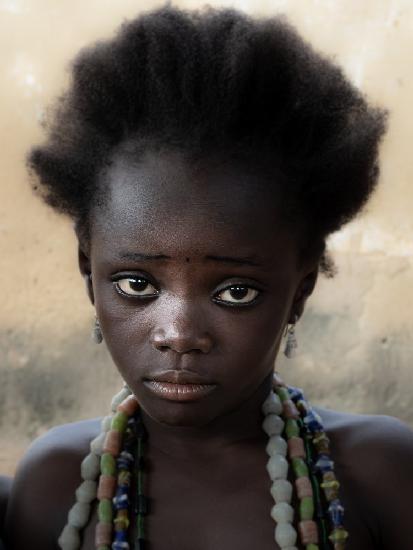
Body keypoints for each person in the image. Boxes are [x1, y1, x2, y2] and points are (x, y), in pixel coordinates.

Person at [4, 5, 413, 550]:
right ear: (88, 273)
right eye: (136, 285)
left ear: (301, 289)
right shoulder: (53, 485)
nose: (179, 333)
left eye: (235, 292)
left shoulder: (380, 474)